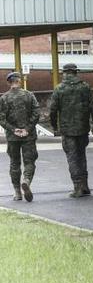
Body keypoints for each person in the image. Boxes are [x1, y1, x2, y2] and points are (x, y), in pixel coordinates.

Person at [49, 63, 93, 198]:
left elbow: (53, 110)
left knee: (72, 158)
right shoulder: (85, 87)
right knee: (82, 156)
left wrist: (54, 126)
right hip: (83, 128)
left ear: (64, 73)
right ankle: (85, 186)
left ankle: (77, 187)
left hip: (67, 130)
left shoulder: (59, 89)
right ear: (76, 72)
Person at [0, 72, 40, 202]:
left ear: (8, 82)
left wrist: (13, 129)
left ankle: (17, 191)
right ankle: (26, 181)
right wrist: (27, 129)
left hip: (13, 137)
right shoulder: (29, 96)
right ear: (20, 81)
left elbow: (1, 119)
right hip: (28, 136)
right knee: (29, 162)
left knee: (14, 164)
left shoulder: (4, 98)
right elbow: (36, 113)